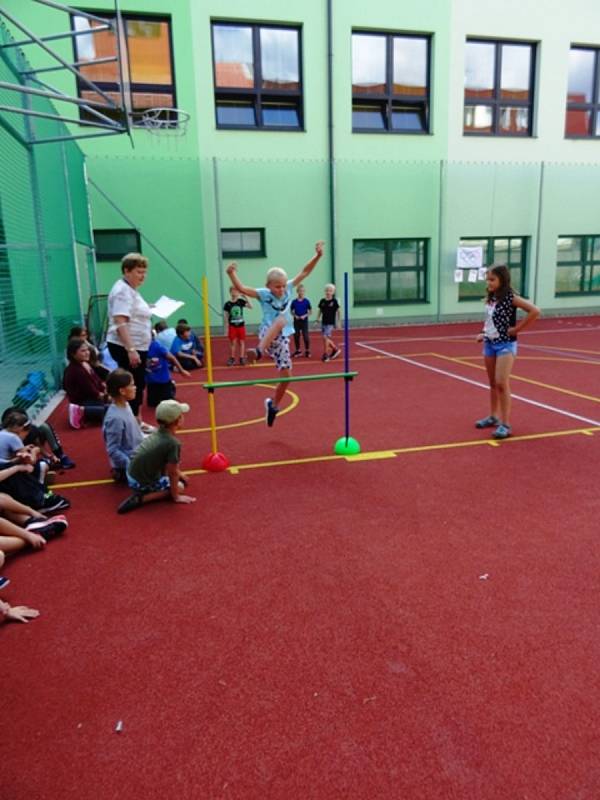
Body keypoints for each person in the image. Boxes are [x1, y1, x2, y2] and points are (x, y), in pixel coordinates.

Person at [226, 240, 325, 427]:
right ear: (268, 285)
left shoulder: (288, 287)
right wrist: (232, 274)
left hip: (281, 339)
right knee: (281, 319)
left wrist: (318, 256)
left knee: (287, 377)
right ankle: (258, 351)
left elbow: (305, 272)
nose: (280, 290)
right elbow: (242, 289)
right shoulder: (264, 294)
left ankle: (273, 405)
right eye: (276, 287)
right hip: (266, 332)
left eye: (282, 286)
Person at [475, 265, 541, 439]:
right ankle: (493, 416)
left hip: (505, 345)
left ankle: (505, 424)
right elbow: (489, 320)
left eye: (492, 279)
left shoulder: (511, 298)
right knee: (492, 383)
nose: (488, 282)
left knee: (501, 383)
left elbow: (535, 311)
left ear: (502, 280)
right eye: (487, 279)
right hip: (490, 343)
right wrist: (483, 333)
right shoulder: (491, 298)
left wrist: (518, 328)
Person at [117, 399, 196, 514]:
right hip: (139, 482)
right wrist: (176, 496)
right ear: (177, 421)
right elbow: (172, 473)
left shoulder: (157, 432)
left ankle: (151, 485)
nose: (183, 417)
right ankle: (142, 498)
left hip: (131, 472)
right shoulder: (173, 443)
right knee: (180, 486)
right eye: (181, 415)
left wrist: (179, 473)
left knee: (173, 465)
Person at [105, 253, 154, 432]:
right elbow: (121, 322)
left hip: (138, 345)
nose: (142, 276)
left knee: (137, 384)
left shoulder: (131, 290)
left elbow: (133, 311)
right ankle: (133, 424)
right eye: (138, 272)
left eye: (144, 272)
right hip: (127, 346)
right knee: (132, 385)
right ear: (127, 271)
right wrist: (131, 349)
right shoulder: (122, 291)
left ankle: (136, 422)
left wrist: (149, 308)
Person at [102, 369, 145, 483]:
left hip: (138, 452)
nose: (135, 387)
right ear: (122, 391)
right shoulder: (115, 418)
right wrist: (130, 465)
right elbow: (113, 449)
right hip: (130, 463)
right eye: (132, 385)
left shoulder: (125, 404)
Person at [1, 407, 76, 471]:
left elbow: (37, 444)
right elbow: (29, 461)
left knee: (44, 427)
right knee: (41, 465)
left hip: (9, 463)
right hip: (9, 466)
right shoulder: (12, 437)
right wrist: (34, 452)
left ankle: (60, 455)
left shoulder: (29, 430)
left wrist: (50, 456)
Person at [63, 338, 109, 428]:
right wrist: (110, 398)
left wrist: (106, 390)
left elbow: (99, 382)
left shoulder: (85, 364)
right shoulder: (76, 370)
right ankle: (81, 411)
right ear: (73, 354)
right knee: (113, 410)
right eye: (83, 351)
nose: (87, 352)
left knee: (116, 407)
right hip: (84, 401)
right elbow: (93, 392)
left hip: (91, 399)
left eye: (87, 349)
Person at [145, 334, 190, 407]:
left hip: (163, 380)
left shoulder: (157, 347)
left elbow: (172, 358)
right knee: (152, 404)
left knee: (168, 402)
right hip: (151, 381)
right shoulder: (140, 349)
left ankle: (171, 386)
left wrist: (182, 371)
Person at [223, 287, 252, 366]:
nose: (235, 292)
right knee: (233, 343)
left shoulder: (240, 301)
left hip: (241, 326)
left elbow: (250, 306)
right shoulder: (227, 304)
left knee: (242, 342)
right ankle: (232, 358)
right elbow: (226, 316)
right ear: (230, 292)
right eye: (233, 291)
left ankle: (241, 358)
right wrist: (226, 328)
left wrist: (245, 296)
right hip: (232, 326)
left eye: (236, 291)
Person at [316, 283, 341, 362]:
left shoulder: (334, 301)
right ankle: (335, 349)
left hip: (330, 323)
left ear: (333, 292)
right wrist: (317, 319)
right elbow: (320, 310)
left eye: (330, 291)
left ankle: (326, 354)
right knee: (324, 338)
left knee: (325, 337)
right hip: (324, 322)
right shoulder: (322, 301)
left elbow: (338, 311)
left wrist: (338, 322)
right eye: (327, 290)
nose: (328, 292)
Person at [291, 283, 312, 358]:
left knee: (305, 336)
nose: (301, 292)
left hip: (304, 321)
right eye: (300, 291)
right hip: (296, 321)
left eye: (303, 291)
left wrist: (305, 315)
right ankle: (298, 350)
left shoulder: (306, 301)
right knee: (296, 335)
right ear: (297, 292)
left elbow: (310, 311)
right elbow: (291, 311)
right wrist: (295, 315)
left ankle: (307, 350)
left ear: (304, 292)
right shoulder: (294, 302)